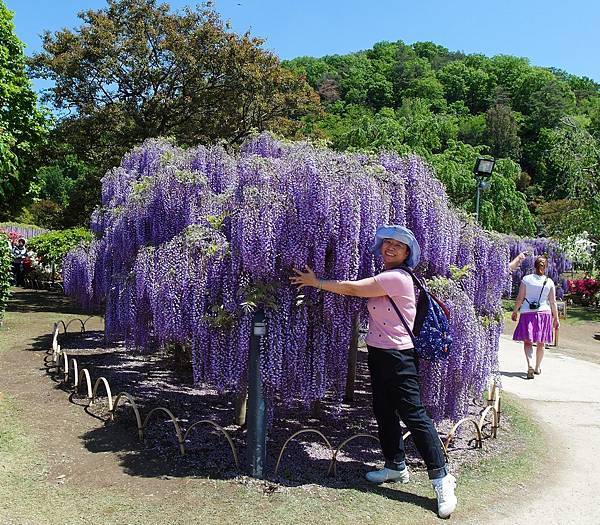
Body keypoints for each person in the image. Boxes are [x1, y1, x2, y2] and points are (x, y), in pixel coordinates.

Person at [290, 225, 457, 519]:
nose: (390, 248)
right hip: (378, 354)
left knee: (414, 415)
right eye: (387, 243)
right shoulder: (388, 275)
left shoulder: (396, 278)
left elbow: (352, 289)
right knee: (383, 411)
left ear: (407, 254)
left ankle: (442, 478)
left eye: (398, 245)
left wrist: (315, 282)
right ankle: (395, 465)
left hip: (400, 357)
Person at [512, 255, 560, 379]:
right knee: (541, 343)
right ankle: (538, 367)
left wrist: (515, 311)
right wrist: (556, 318)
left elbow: (520, 298)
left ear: (534, 266)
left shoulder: (526, 279)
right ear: (546, 267)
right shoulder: (549, 281)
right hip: (544, 314)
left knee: (528, 342)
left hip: (528, 313)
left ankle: (530, 365)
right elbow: (553, 302)